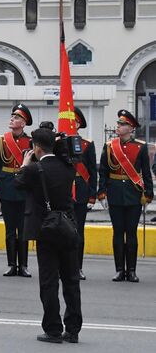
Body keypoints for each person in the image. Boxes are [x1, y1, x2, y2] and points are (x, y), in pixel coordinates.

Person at [15, 128, 82, 344]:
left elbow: (18, 183)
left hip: (47, 229)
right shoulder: (68, 167)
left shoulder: (35, 169)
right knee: (71, 280)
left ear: (36, 147)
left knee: (49, 281)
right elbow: (67, 155)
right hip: (69, 227)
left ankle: (53, 329)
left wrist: (25, 164)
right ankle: (72, 330)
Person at [98, 110, 153, 283]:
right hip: (115, 193)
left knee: (131, 233)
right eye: (119, 124)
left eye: (122, 125)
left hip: (133, 194)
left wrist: (148, 194)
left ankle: (132, 270)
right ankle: (119, 270)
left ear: (130, 128)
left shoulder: (140, 147)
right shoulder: (109, 146)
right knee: (117, 232)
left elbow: (146, 172)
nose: (118, 127)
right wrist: (102, 192)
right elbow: (104, 171)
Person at [0, 104, 33, 277]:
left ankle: (23, 265)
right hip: (7, 188)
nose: (12, 120)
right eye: (12, 117)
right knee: (9, 230)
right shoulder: (1, 141)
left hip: (24, 190)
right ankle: (11, 264)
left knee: (23, 230)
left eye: (16, 118)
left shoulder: (30, 142)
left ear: (23, 123)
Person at [72, 107, 97, 280]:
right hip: (63, 192)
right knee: (62, 233)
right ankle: (63, 267)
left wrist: (92, 196)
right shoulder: (58, 143)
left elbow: (93, 172)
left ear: (78, 123)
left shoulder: (87, 144)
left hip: (80, 193)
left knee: (78, 232)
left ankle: (77, 267)